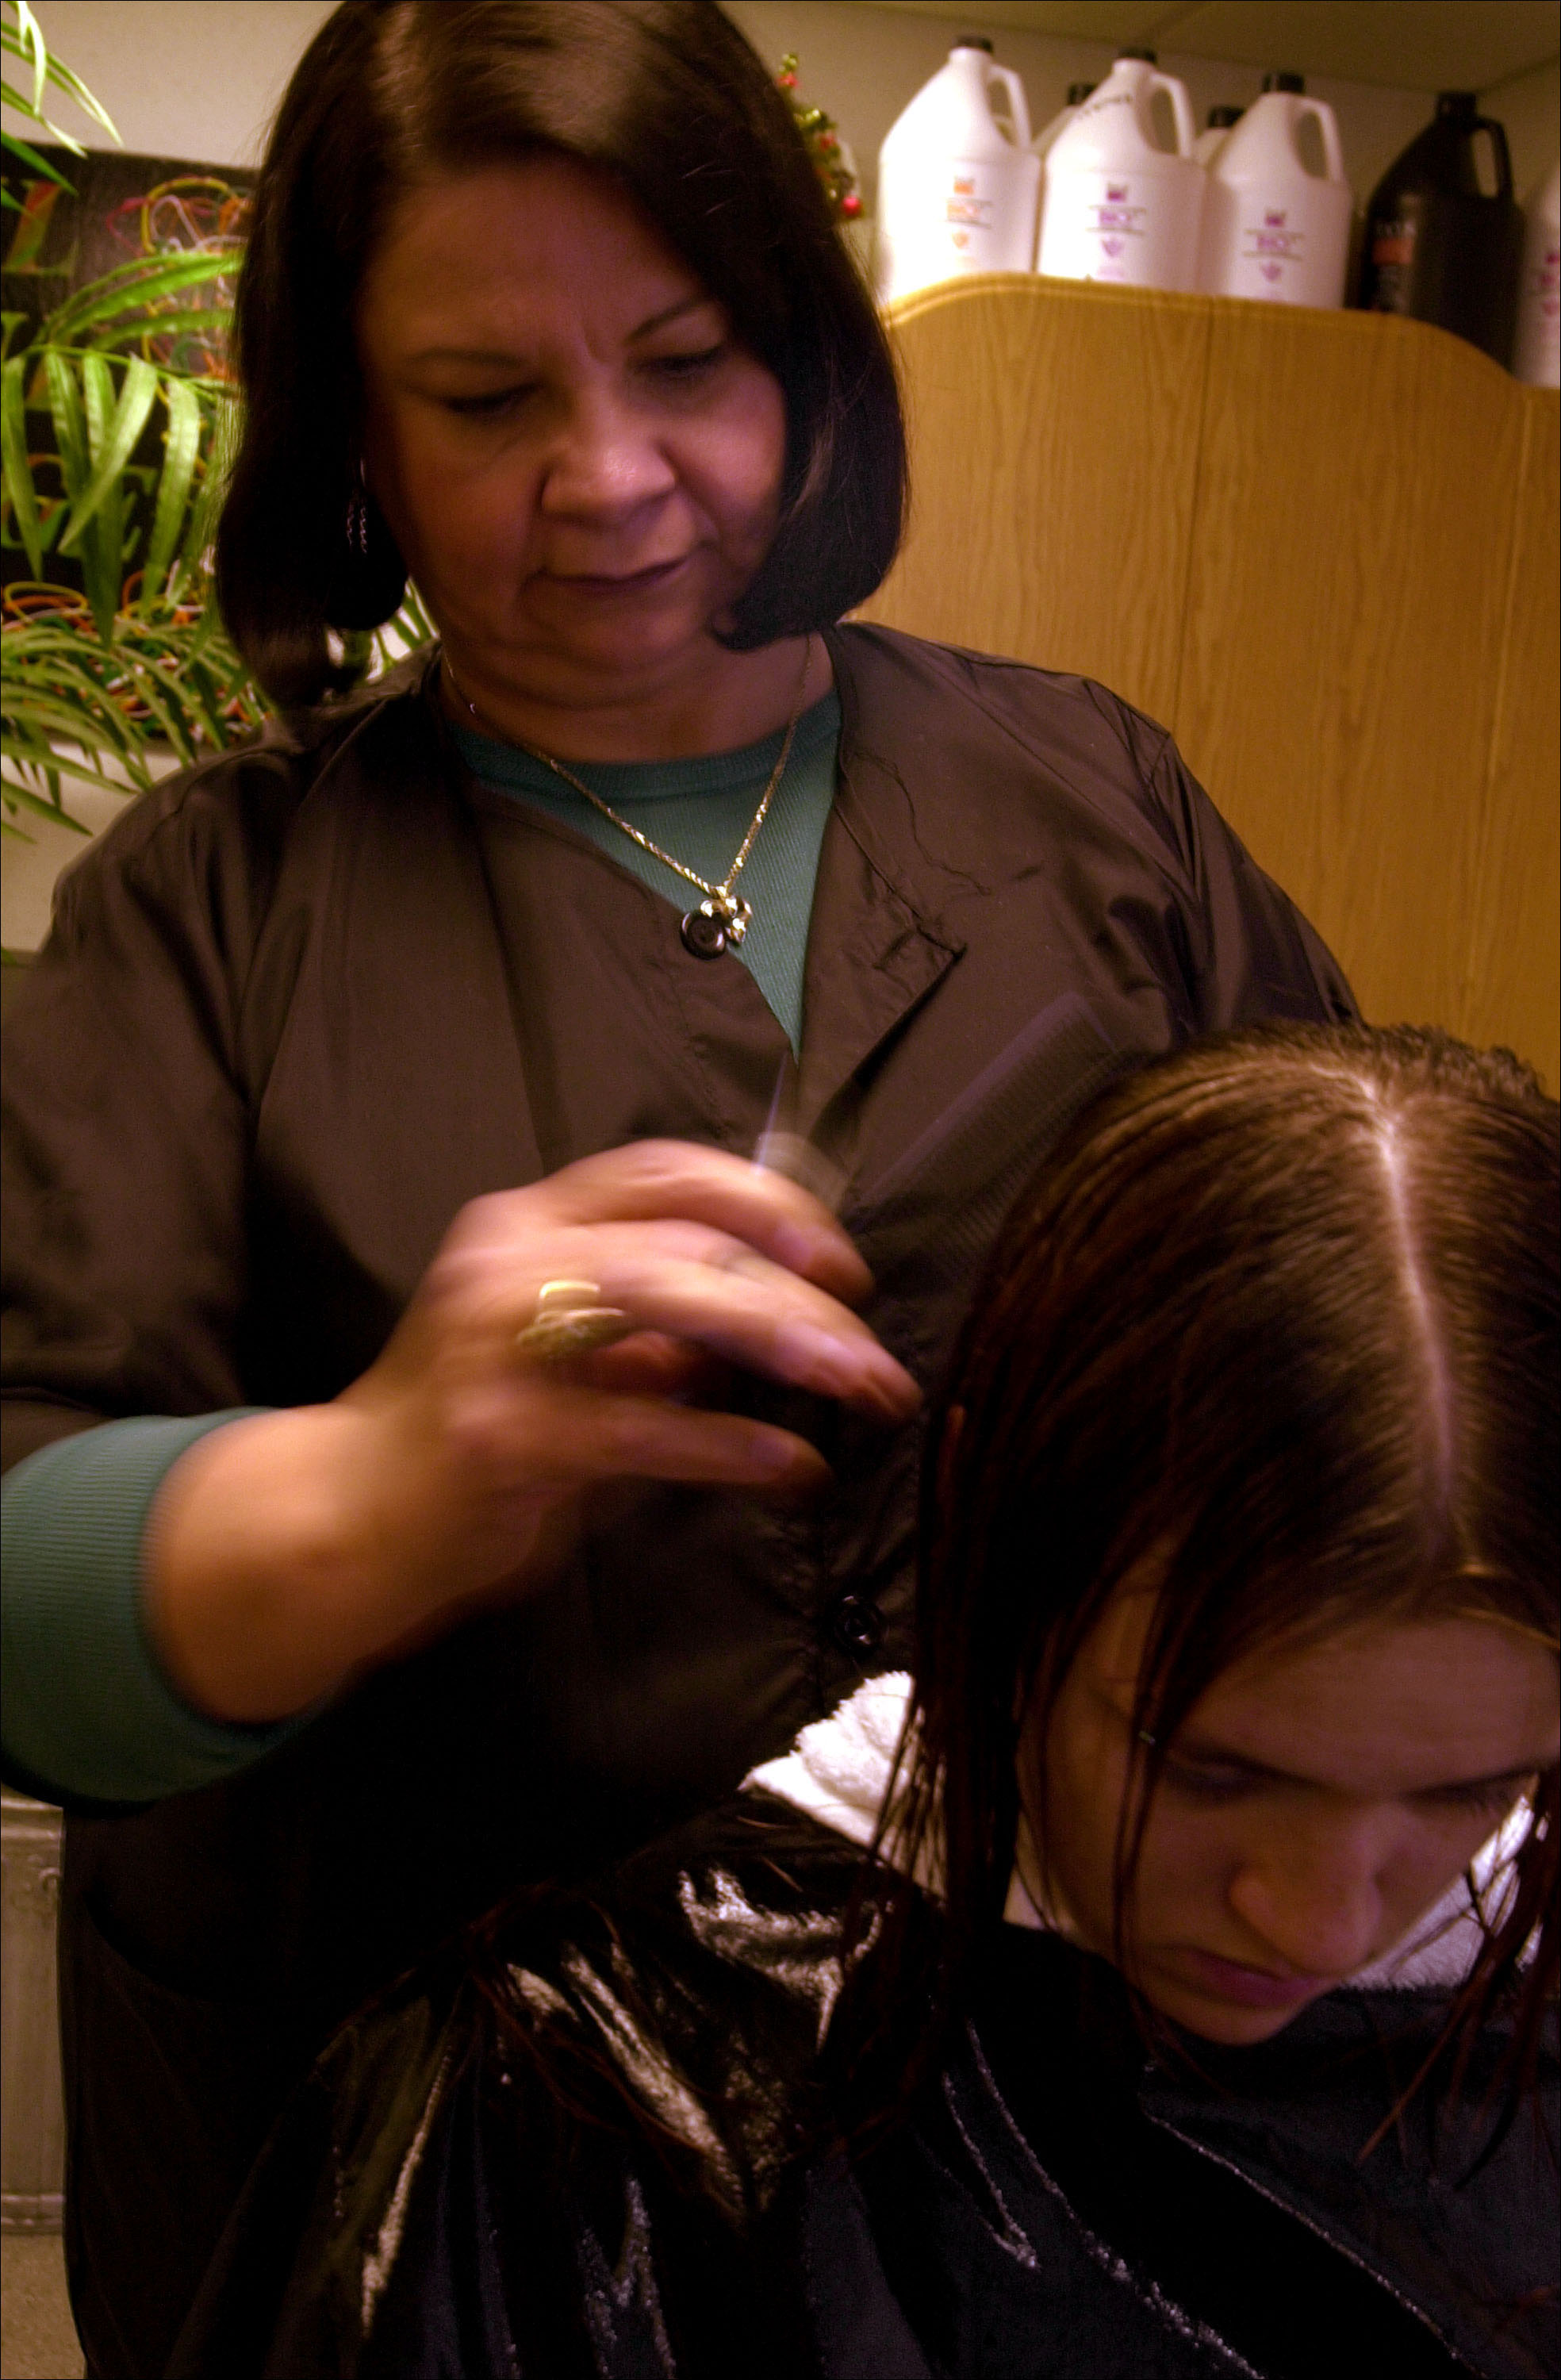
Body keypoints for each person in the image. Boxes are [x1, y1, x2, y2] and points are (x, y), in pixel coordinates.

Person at [0, 6, 1351, 2371]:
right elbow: (22, 1604)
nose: (612, 479)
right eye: (488, 400)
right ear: (357, 439)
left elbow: (1353, 1326)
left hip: (1006, 2171)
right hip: (401, 2202)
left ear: (809, 361)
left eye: (685, 361)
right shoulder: (213, 910)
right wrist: (390, 1477)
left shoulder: (1095, 810)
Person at [165, 1023, 1560, 2380]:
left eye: (1473, 1790)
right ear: (987, 1518)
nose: (1318, 1915)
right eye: (1204, 1768)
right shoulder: (567, 2115)